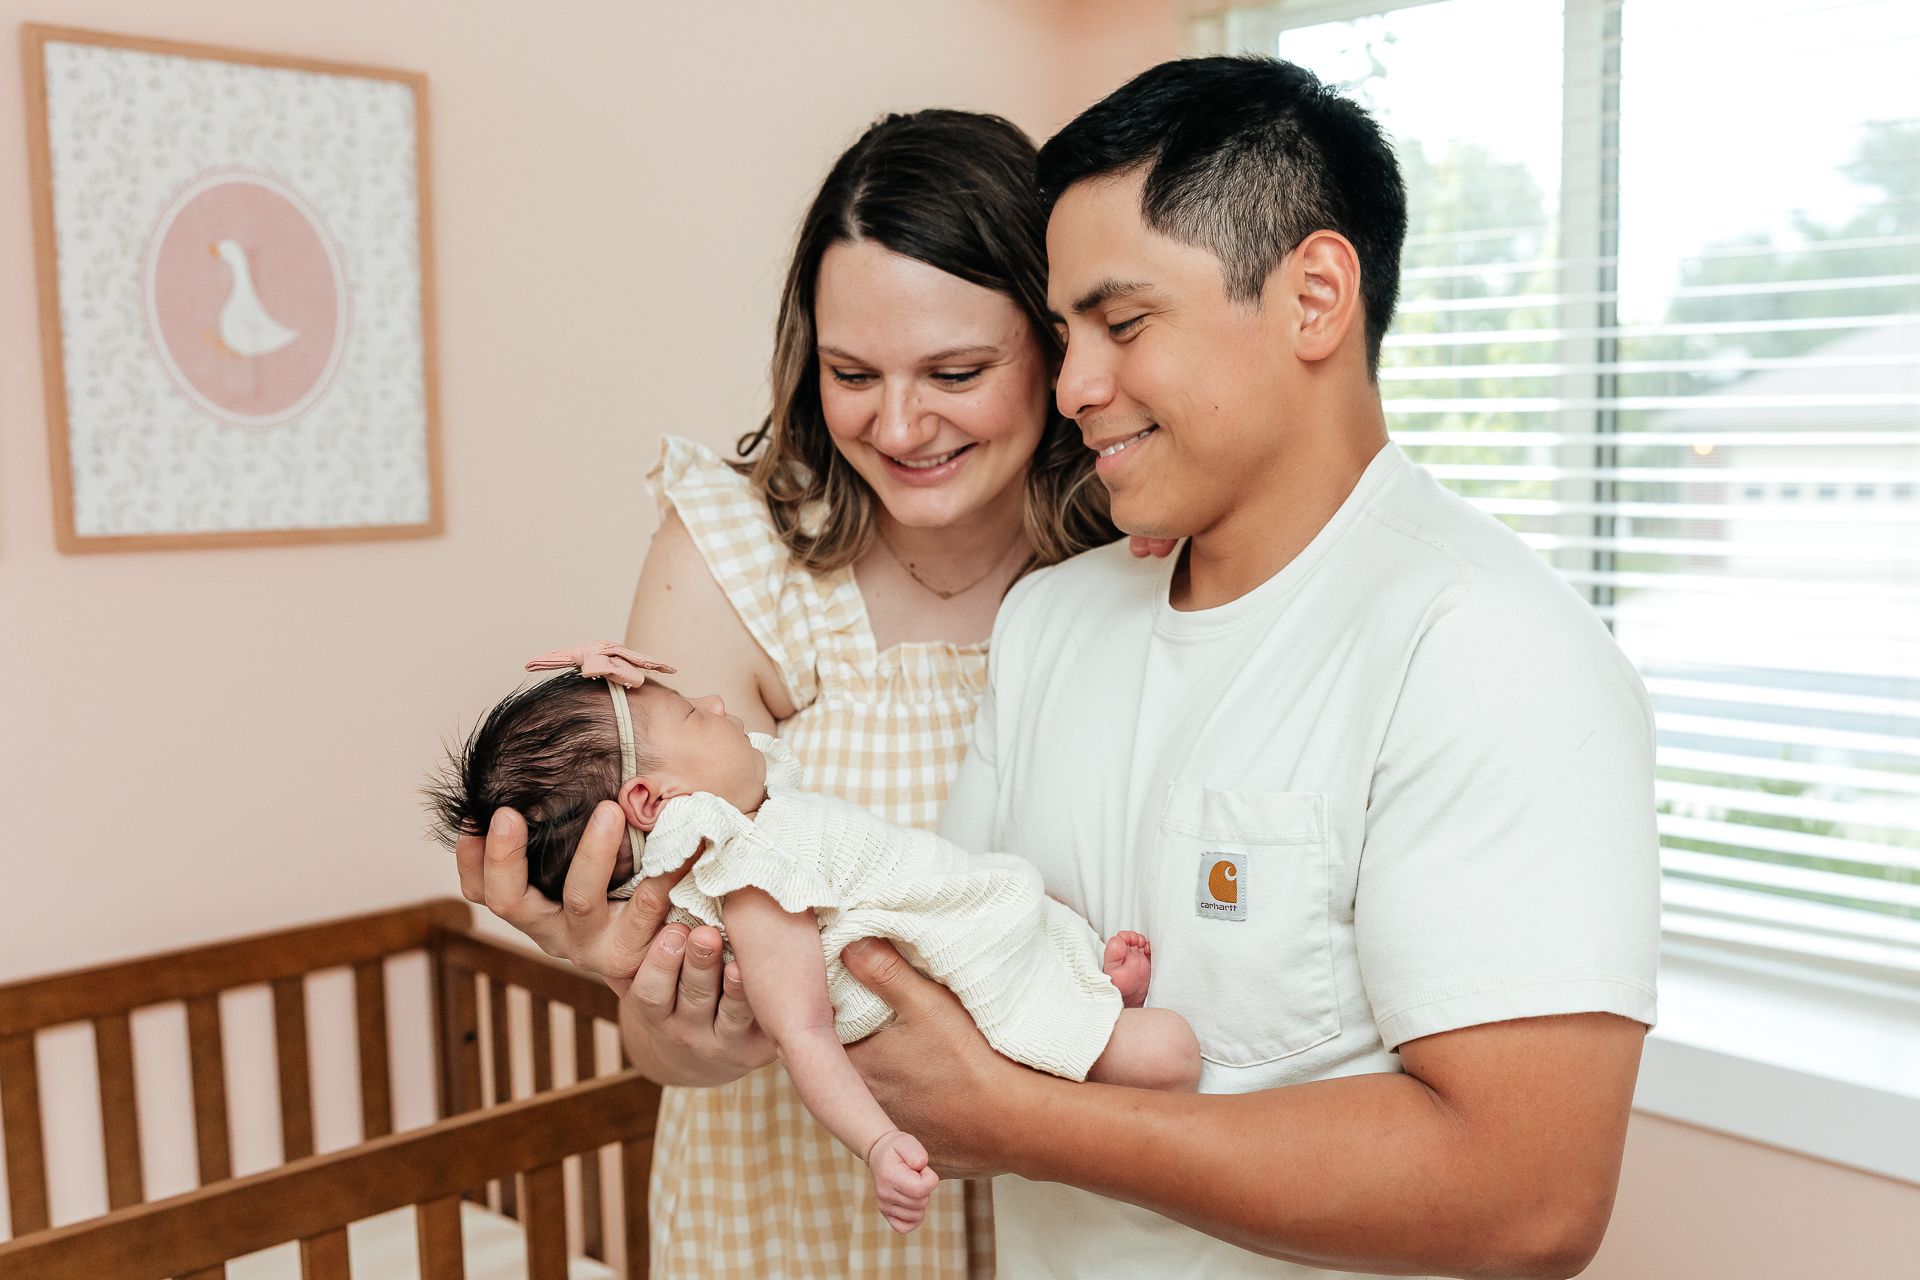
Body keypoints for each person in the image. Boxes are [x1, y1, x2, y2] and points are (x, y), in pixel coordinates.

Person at [833, 56, 1662, 1279]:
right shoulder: (1052, 621)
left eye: (1122, 324)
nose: (1073, 389)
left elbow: (1526, 1194)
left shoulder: (1485, 645)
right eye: (1063, 336)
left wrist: (1020, 1119)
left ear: (1316, 296)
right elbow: (938, 988)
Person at [452, 109, 1161, 1278]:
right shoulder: (737, 551)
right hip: (799, 1209)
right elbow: (660, 1037)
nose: (898, 424)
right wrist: (681, 1011)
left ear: (1057, 346)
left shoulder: (1137, 556)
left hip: (1082, 1193)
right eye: (850, 373)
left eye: (956, 372)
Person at [429, 648, 1199, 1231]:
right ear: (650, 799)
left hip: (978, 925)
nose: (716, 702)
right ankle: (1089, 1031)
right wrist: (877, 1144)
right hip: (973, 1001)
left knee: (1040, 906)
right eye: (695, 716)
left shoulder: (755, 819)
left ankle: (1081, 986)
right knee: (1172, 1053)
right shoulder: (752, 877)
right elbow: (805, 1033)